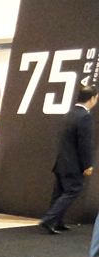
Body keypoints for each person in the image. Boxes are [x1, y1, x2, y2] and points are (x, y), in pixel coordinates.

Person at [39, 85, 97, 235]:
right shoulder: (85, 117)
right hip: (74, 164)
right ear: (91, 99)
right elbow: (84, 143)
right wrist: (87, 165)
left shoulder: (69, 114)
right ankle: (49, 219)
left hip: (62, 162)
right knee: (72, 190)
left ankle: (57, 222)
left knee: (59, 193)